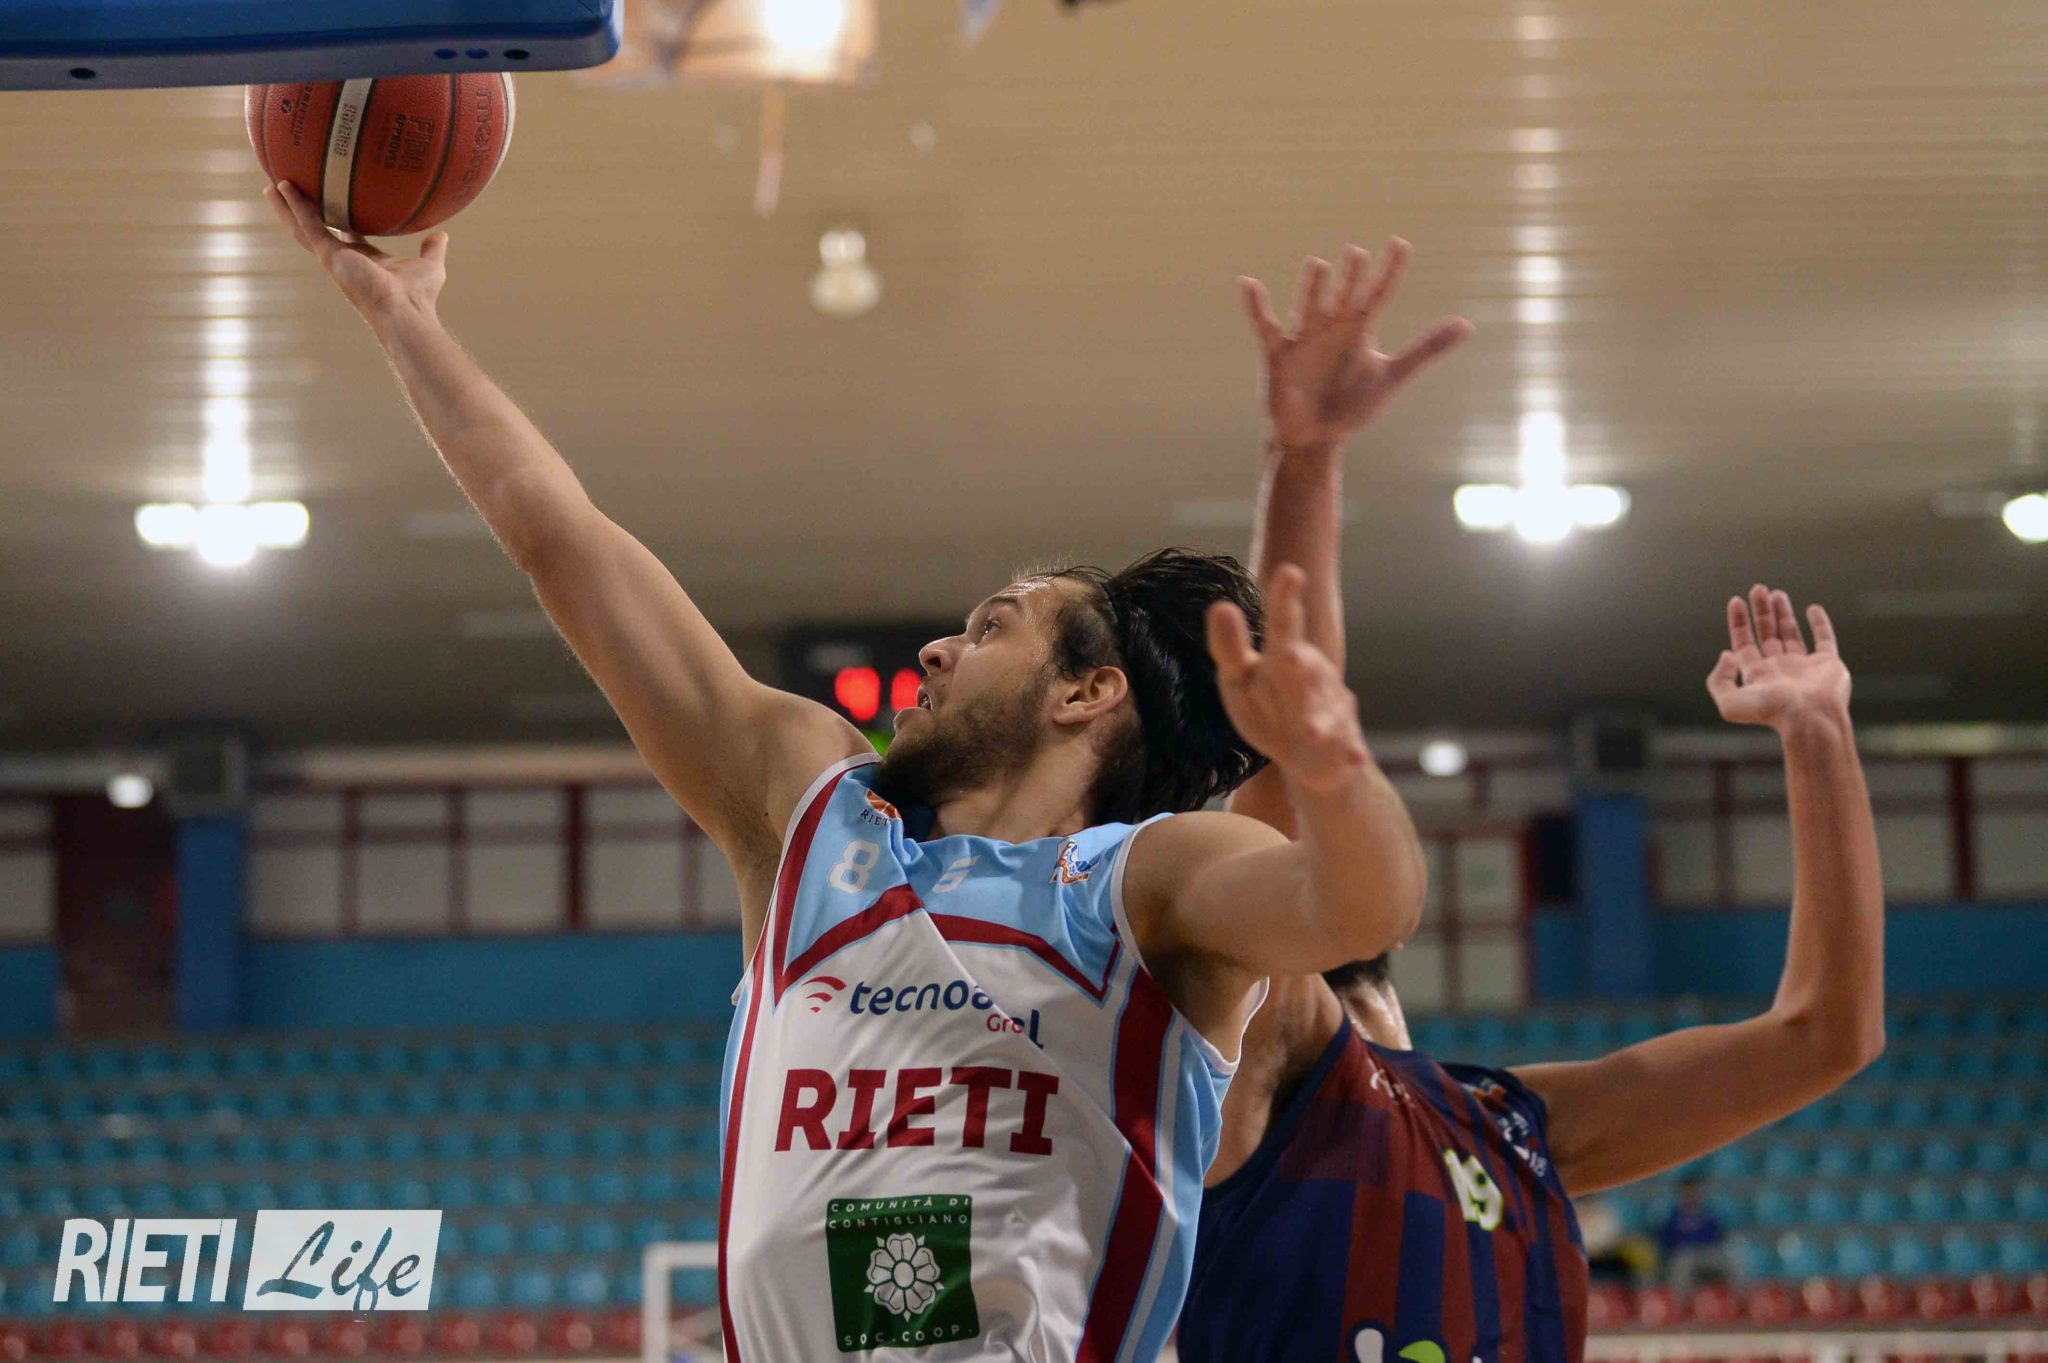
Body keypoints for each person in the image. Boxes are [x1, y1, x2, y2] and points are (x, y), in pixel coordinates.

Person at [263, 183, 1446, 1362]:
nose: (934, 650)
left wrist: (1331, 763)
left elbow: (1363, 908)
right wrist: (403, 318)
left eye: (989, 628)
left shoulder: (1150, 881)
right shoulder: (811, 815)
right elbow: (560, 538)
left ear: (1086, 694)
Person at [1177, 240, 1887, 1363]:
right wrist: (1301, 463)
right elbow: (1293, 735)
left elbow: (1826, 1035)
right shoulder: (1250, 1065)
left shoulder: (1506, 1126)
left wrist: (1817, 732)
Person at [1658, 1179, 1736, 1292]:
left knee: (1730, 1261)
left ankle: (1739, 1297)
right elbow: (1667, 1240)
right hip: (1684, 1253)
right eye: (1687, 1193)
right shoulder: (1672, 1217)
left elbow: (1718, 1236)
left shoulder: (1709, 1215)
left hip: (1707, 1252)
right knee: (1683, 1263)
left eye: (1693, 1192)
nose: (1690, 1196)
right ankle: (1682, 1300)